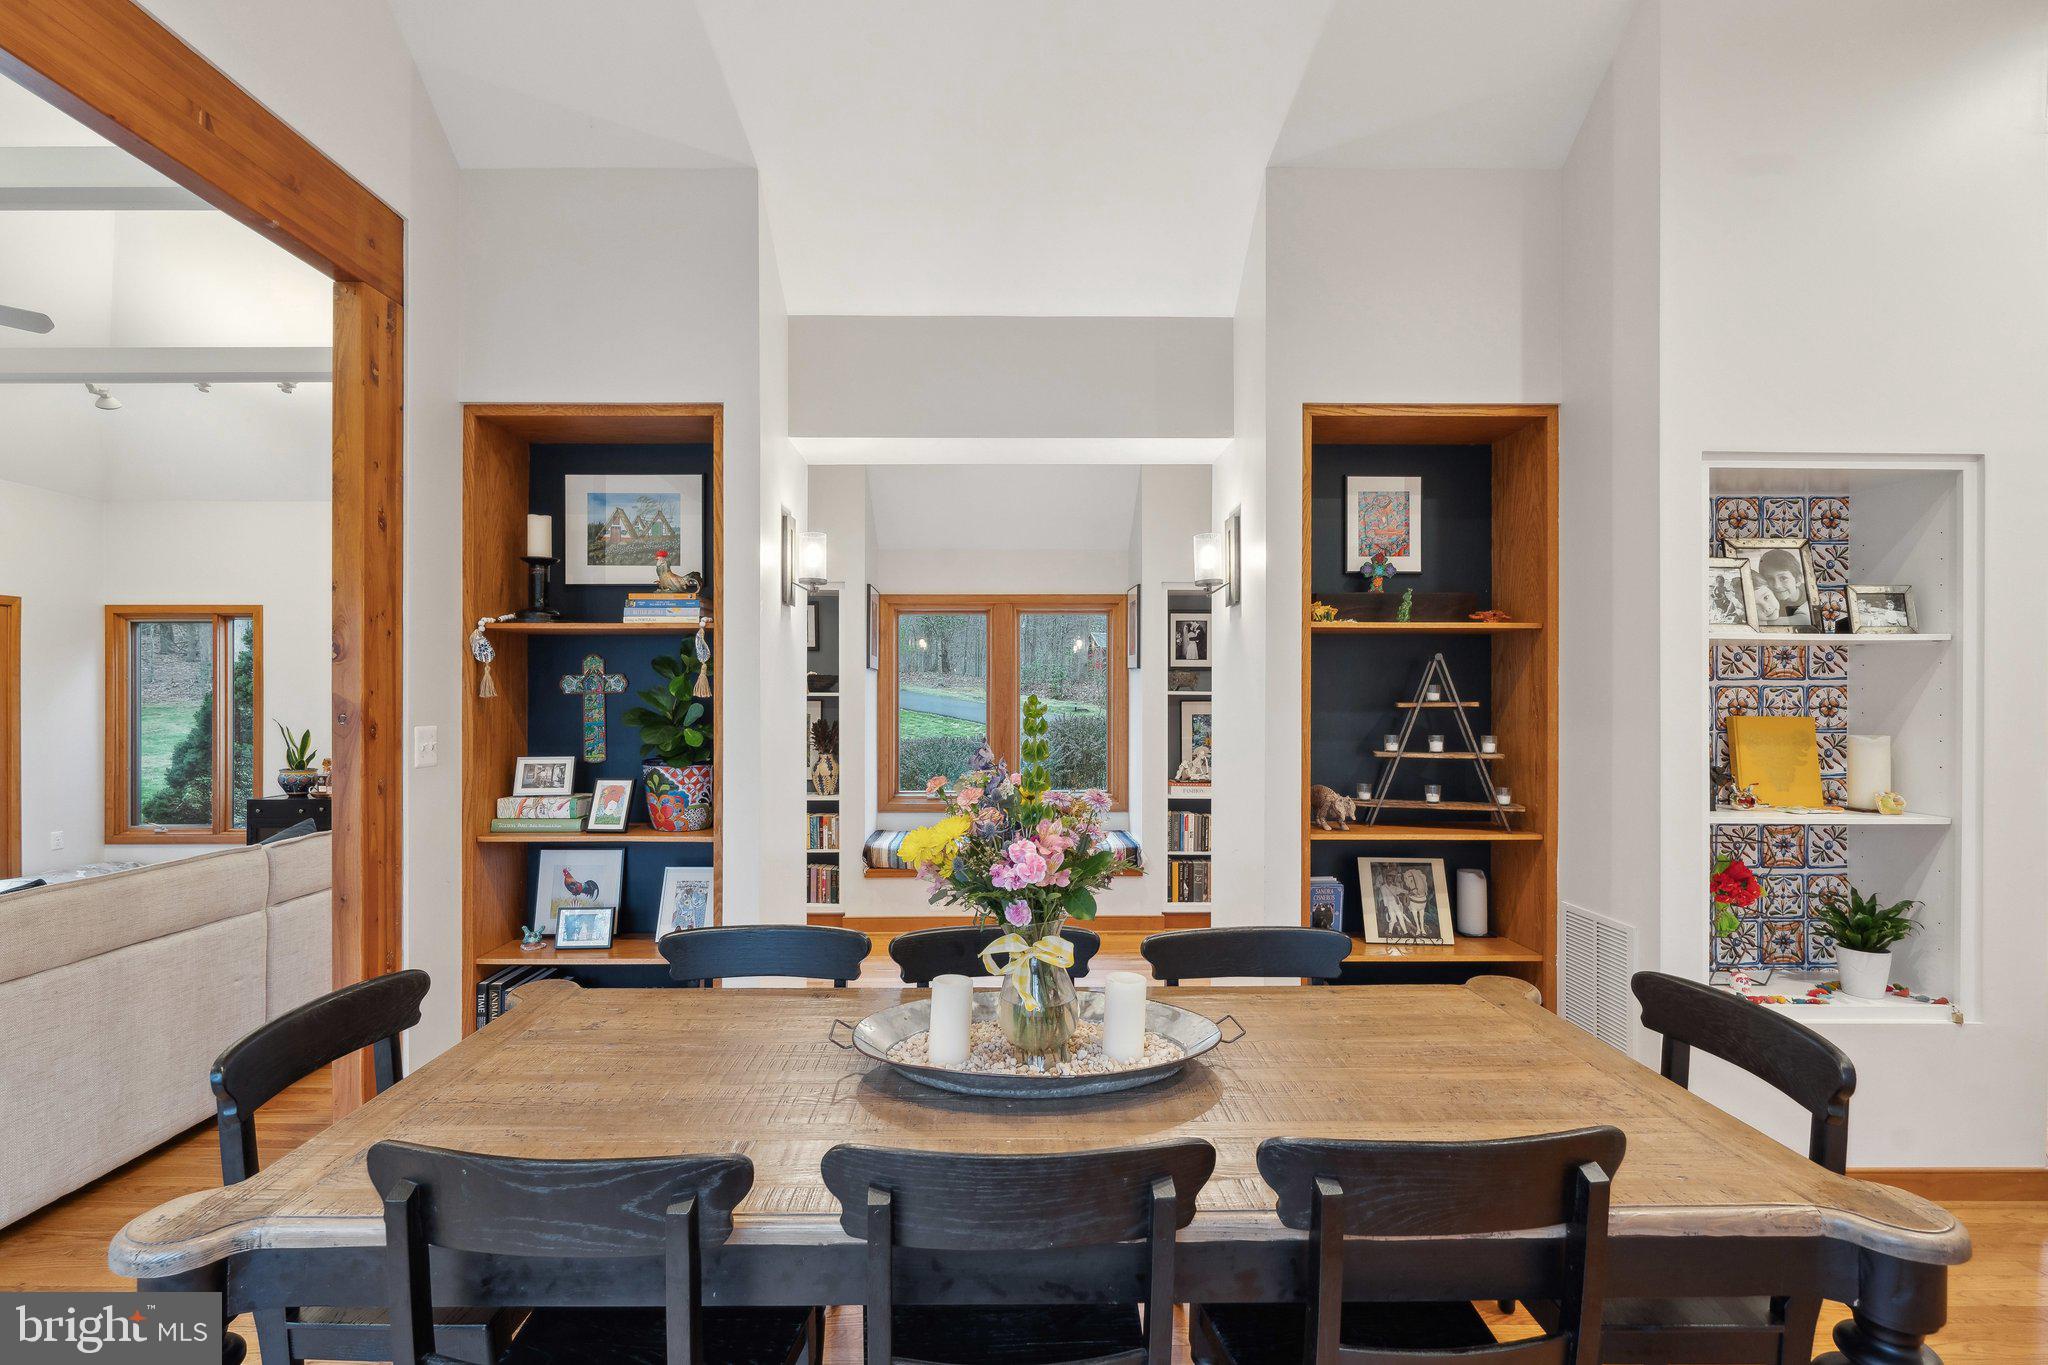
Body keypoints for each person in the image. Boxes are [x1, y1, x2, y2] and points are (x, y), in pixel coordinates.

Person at [1757, 548, 1809, 624]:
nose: (1776, 586)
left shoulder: (1811, 595)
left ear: (1797, 580)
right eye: (1770, 578)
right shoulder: (1767, 601)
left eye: (1783, 578)